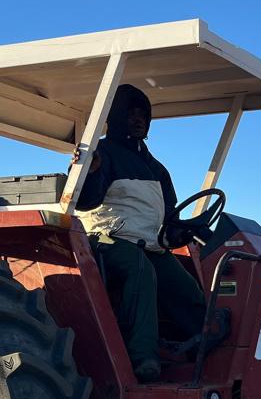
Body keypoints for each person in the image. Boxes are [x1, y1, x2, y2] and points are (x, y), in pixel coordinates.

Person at [75, 83, 206, 383]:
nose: (138, 120)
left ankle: (204, 345)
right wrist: (89, 171)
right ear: (116, 117)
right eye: (130, 114)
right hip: (106, 238)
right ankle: (143, 357)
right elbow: (85, 200)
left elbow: (168, 213)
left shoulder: (156, 168)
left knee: (184, 284)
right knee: (140, 269)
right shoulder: (102, 154)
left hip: (148, 243)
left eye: (143, 116)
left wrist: (180, 232)